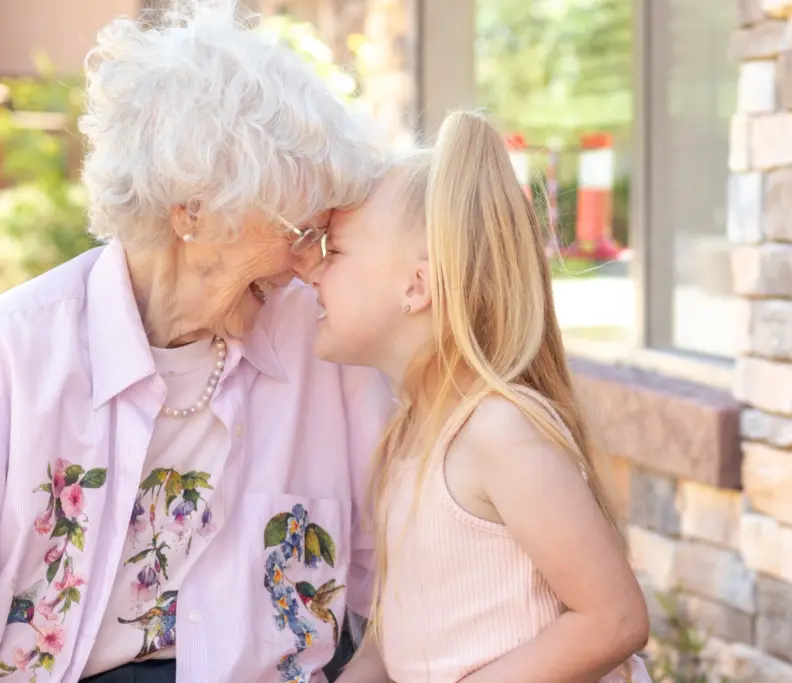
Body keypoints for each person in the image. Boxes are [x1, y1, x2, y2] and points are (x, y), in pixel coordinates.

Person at [0, 2, 393, 682]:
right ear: (193, 211)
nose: (309, 263)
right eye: (297, 231)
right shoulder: (19, 354)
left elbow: (396, 596)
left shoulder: (326, 347)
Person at [311, 110, 652, 683]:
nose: (312, 273)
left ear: (416, 286)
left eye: (335, 252)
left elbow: (613, 619)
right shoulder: (407, 435)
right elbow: (388, 648)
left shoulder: (499, 432)